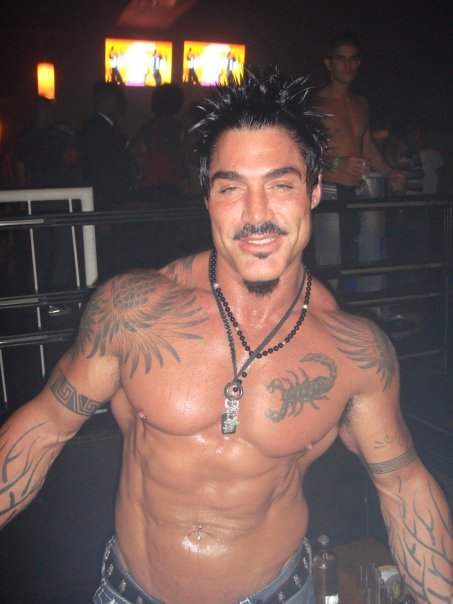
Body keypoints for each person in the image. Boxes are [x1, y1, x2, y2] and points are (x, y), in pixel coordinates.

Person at [0, 69, 451, 604]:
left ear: (314, 190)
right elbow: (44, 428)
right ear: (207, 198)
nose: (256, 214)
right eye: (231, 187)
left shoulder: (357, 352)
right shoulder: (134, 311)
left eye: (280, 185)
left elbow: (403, 486)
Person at [312, 34, 406, 291]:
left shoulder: (361, 102)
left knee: (372, 250)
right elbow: (303, 152)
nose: (347, 65)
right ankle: (327, 311)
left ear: (359, 63)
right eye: (341, 59)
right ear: (329, 64)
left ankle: (371, 307)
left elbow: (368, 148)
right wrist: (338, 163)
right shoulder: (317, 103)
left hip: (361, 185)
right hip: (329, 187)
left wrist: (390, 172)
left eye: (352, 59)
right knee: (330, 259)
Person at [78, 81, 134, 280]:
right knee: (106, 253)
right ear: (103, 100)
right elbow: (98, 172)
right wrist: (102, 211)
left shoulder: (109, 127)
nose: (121, 103)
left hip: (112, 200)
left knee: (112, 251)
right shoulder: (96, 129)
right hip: (106, 201)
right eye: (117, 99)